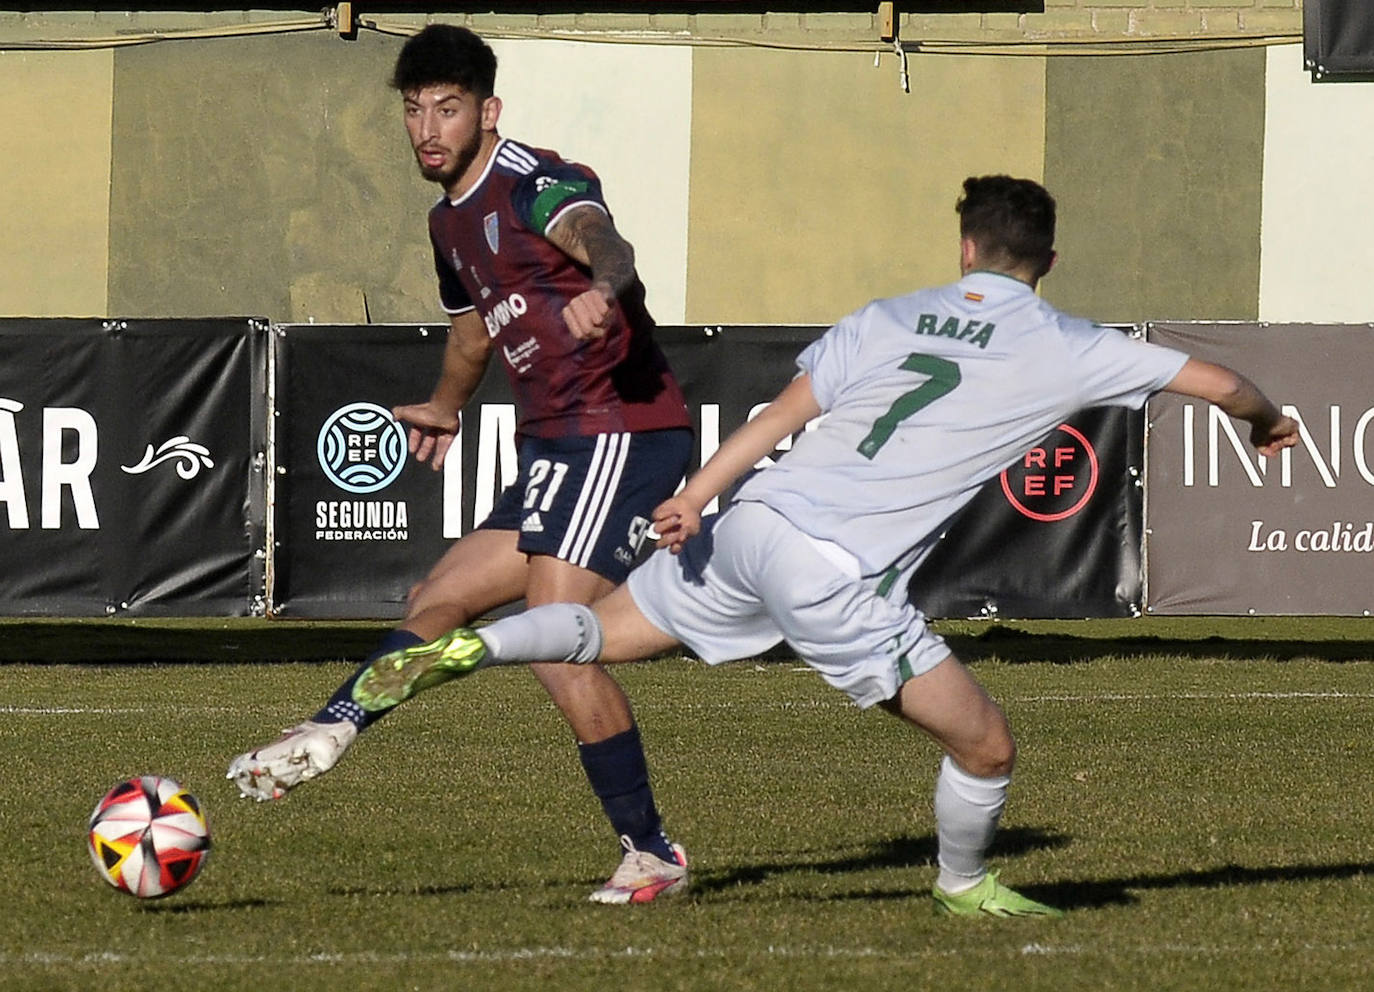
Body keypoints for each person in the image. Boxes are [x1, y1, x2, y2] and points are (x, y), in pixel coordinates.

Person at [335, 174, 1301, 917]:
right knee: (987, 744)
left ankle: (468, 645)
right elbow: (1220, 384)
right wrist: (1266, 422)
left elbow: (780, 415)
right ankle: (961, 886)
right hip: (833, 573)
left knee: (595, 634)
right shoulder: (1073, 342)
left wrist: (694, 496)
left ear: (965, 249)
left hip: (751, 521)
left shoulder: (887, 317)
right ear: (1044, 261)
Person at [227, 24, 695, 905]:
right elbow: (474, 328)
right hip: (558, 442)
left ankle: (652, 854)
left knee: (558, 645)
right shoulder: (447, 219)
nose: (427, 128)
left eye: (447, 108)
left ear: (489, 111)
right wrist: (447, 406)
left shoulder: (533, 182)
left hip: (618, 428)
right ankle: (330, 729)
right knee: (435, 600)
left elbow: (605, 239)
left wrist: (603, 287)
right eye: (413, 110)